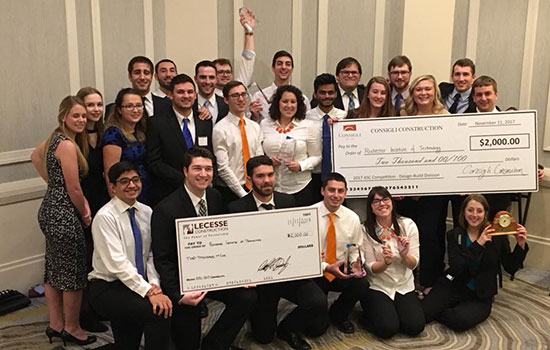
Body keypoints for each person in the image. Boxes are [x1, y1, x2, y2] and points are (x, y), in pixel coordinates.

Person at [151, 147, 256, 350]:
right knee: (187, 344)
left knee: (247, 297)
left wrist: (242, 274)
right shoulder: (165, 209)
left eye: (208, 169)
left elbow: (227, 241)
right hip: (185, 282)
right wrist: (178, 295)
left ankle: (216, 344)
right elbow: (162, 258)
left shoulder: (215, 197)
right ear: (185, 171)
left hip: (216, 273)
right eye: (197, 168)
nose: (203, 174)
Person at [228, 155, 328, 350]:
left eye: (270, 175)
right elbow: (236, 251)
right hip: (261, 280)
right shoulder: (236, 208)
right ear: (249, 179)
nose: (267, 180)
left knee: (318, 301)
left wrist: (310, 252)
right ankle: (259, 318)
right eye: (260, 176)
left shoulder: (288, 201)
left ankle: (288, 329)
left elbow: (297, 237)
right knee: (263, 337)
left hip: (289, 273)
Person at [30, 96, 96, 346]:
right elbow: (75, 189)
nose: (81, 120)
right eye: (75, 116)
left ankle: (55, 325)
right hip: (64, 213)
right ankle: (72, 327)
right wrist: (86, 214)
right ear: (63, 117)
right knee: (73, 274)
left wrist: (53, 184)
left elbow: (34, 156)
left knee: (54, 269)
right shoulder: (67, 145)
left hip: (49, 209)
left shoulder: (54, 139)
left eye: (83, 116)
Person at [88, 161, 172, 350]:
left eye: (135, 179)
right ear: (113, 187)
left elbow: (151, 254)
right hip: (107, 286)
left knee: (128, 341)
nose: (132, 185)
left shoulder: (147, 212)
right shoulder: (105, 217)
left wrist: (154, 285)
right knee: (158, 311)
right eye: (124, 181)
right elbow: (118, 264)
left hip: (136, 283)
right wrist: (150, 293)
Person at [421, 194, 529, 331]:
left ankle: (442, 308)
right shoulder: (455, 234)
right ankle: (436, 302)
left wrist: (520, 245)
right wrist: (478, 244)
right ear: (463, 212)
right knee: (423, 314)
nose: (474, 215)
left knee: (459, 321)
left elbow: (511, 267)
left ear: (485, 214)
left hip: (480, 295)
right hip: (453, 285)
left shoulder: (497, 237)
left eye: (479, 211)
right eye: (470, 210)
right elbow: (456, 267)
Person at [399, 75, 449, 296]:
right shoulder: (402, 115)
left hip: (433, 190)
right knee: (405, 235)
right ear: (413, 93)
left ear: (434, 91)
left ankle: (428, 281)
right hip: (405, 190)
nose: (423, 93)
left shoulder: (445, 117)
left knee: (429, 235)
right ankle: (405, 280)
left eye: (428, 89)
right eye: (418, 89)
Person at [360, 186, 424, 339]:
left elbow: (413, 264)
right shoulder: (364, 230)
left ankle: (393, 311)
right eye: (376, 201)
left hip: (403, 284)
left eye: (385, 199)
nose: (382, 204)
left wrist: (404, 254)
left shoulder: (408, 225)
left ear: (392, 202)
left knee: (415, 326)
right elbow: (370, 269)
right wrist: (385, 262)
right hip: (379, 285)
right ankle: (368, 312)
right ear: (371, 207)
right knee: (387, 329)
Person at [313, 173, 370, 335]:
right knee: (316, 330)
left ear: (345, 193)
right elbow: (303, 253)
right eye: (331, 190)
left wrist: (356, 264)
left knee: (362, 283)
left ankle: (339, 314)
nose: (336, 195)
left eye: (340, 191)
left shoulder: (352, 218)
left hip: (341, 268)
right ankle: (319, 312)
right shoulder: (308, 215)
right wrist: (326, 267)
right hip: (318, 270)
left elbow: (356, 248)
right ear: (322, 191)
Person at [146, 73, 213, 206]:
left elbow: (210, 154)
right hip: (169, 192)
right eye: (180, 92)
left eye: (190, 92)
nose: (186, 96)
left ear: (195, 95)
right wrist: (186, 178)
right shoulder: (157, 123)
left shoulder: (204, 121)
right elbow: (153, 162)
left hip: (201, 192)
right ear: (171, 95)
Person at [75, 87, 109, 332]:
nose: (96, 109)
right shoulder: (73, 137)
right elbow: (38, 156)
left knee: (100, 257)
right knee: (84, 260)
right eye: (90, 105)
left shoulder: (105, 133)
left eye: (99, 104)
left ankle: (98, 306)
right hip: (83, 205)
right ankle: (83, 313)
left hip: (103, 202)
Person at [260, 85, 321, 206]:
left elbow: (317, 156)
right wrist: (268, 162)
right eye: (285, 101)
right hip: (272, 187)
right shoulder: (264, 124)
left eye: (293, 102)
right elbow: (258, 152)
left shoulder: (309, 126)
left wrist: (300, 165)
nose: (289, 105)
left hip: (300, 187)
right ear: (278, 103)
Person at [213, 81, 263, 204]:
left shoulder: (255, 126)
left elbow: (259, 159)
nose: (241, 99)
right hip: (230, 190)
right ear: (225, 100)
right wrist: (242, 193)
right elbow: (223, 167)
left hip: (255, 188)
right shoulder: (220, 129)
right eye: (235, 95)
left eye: (243, 94)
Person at [103, 88, 150, 205]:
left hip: (143, 193)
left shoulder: (141, 131)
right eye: (129, 106)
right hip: (125, 196)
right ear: (119, 109)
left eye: (139, 106)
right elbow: (111, 176)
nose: (135, 110)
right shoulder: (113, 134)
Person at [305, 73, 346, 202]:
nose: (327, 96)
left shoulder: (345, 116)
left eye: (330, 92)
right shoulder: (305, 117)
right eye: (322, 93)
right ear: (315, 94)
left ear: (335, 94)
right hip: (314, 175)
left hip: (338, 174)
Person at [251, 50, 310, 122]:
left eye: (288, 64)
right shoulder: (258, 97)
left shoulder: (302, 99)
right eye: (279, 64)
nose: (284, 67)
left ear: (292, 69)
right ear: (273, 68)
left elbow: (306, 124)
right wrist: (254, 116)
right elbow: (251, 126)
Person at [213, 8, 257, 97]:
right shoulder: (207, 95)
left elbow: (248, 59)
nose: (225, 75)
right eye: (220, 72)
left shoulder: (237, 91)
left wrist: (249, 31)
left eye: (228, 72)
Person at [193, 60, 229, 124]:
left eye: (211, 77)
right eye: (203, 77)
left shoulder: (227, 105)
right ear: (196, 79)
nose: (207, 82)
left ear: (216, 79)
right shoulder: (189, 104)